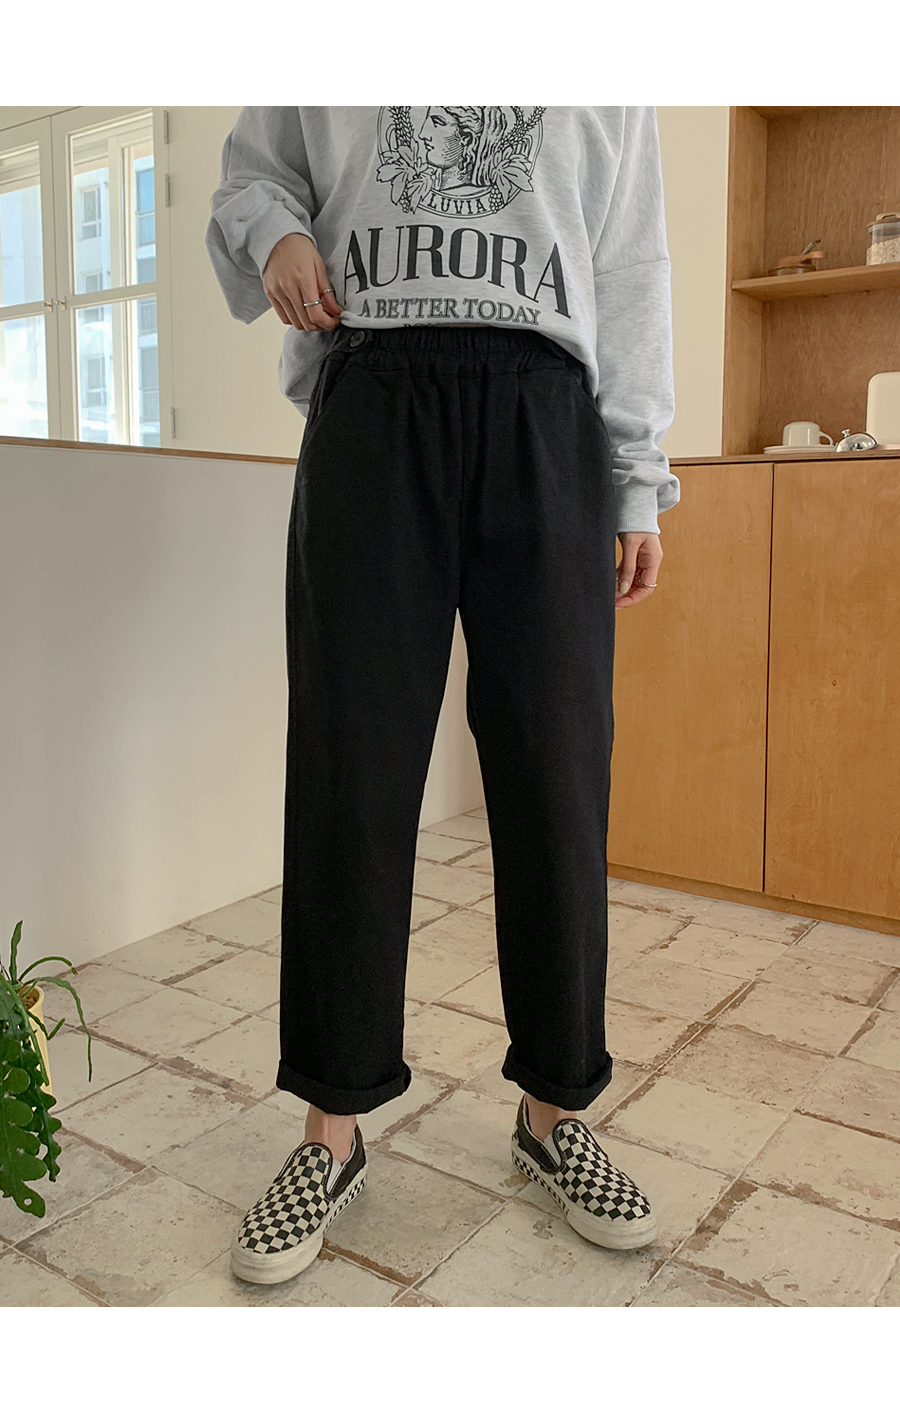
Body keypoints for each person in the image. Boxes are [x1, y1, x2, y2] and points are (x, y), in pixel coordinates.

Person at [205, 106, 679, 1286]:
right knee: (350, 774)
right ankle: (331, 1126)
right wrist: (276, 237)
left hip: (547, 417)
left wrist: (637, 483)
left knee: (556, 777)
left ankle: (557, 1110)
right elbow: (252, 177)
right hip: (373, 400)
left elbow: (630, 263)